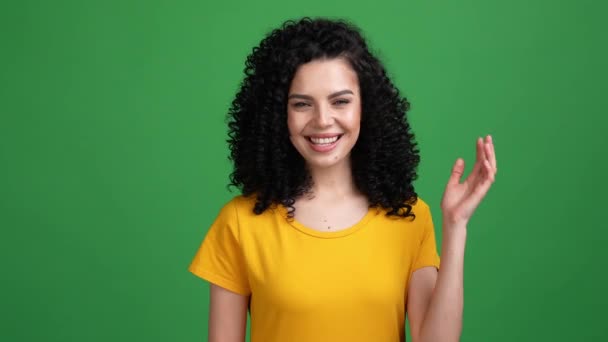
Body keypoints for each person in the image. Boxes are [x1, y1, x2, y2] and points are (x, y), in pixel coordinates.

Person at [189, 17, 497, 342]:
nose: (323, 120)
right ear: (278, 114)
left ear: (366, 107)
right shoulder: (239, 223)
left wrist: (456, 226)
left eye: (340, 101)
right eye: (302, 104)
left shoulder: (409, 217)